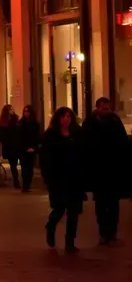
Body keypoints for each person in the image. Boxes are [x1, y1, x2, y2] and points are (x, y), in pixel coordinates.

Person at [84, 97, 128, 245]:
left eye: (107, 108)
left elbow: (123, 142)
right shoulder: (90, 122)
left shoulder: (114, 120)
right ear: (97, 108)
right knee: (102, 203)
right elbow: (87, 145)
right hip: (99, 170)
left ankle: (112, 232)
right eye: (103, 108)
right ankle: (104, 232)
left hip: (113, 169)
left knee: (113, 203)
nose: (106, 111)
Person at [41, 106, 85, 252]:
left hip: (74, 178)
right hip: (58, 178)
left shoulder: (77, 133)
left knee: (73, 211)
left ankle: (70, 243)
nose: (66, 119)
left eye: (68, 116)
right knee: (59, 209)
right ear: (58, 119)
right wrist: (47, 177)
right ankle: (51, 228)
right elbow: (45, 158)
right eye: (63, 116)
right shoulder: (51, 135)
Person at [0, 104, 22, 190]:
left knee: (17, 163)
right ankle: (16, 181)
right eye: (10, 109)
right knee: (13, 164)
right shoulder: (2, 121)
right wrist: (4, 141)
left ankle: (18, 180)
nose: (12, 110)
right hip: (9, 146)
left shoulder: (16, 119)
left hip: (17, 145)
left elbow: (19, 131)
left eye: (12, 108)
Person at [17, 105, 42, 192]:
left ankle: (28, 184)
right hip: (23, 149)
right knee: (24, 167)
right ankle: (25, 186)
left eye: (28, 111)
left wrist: (34, 147)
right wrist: (23, 148)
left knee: (30, 168)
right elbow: (19, 138)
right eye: (25, 111)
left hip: (31, 149)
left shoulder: (35, 124)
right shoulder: (20, 123)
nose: (26, 113)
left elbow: (37, 137)